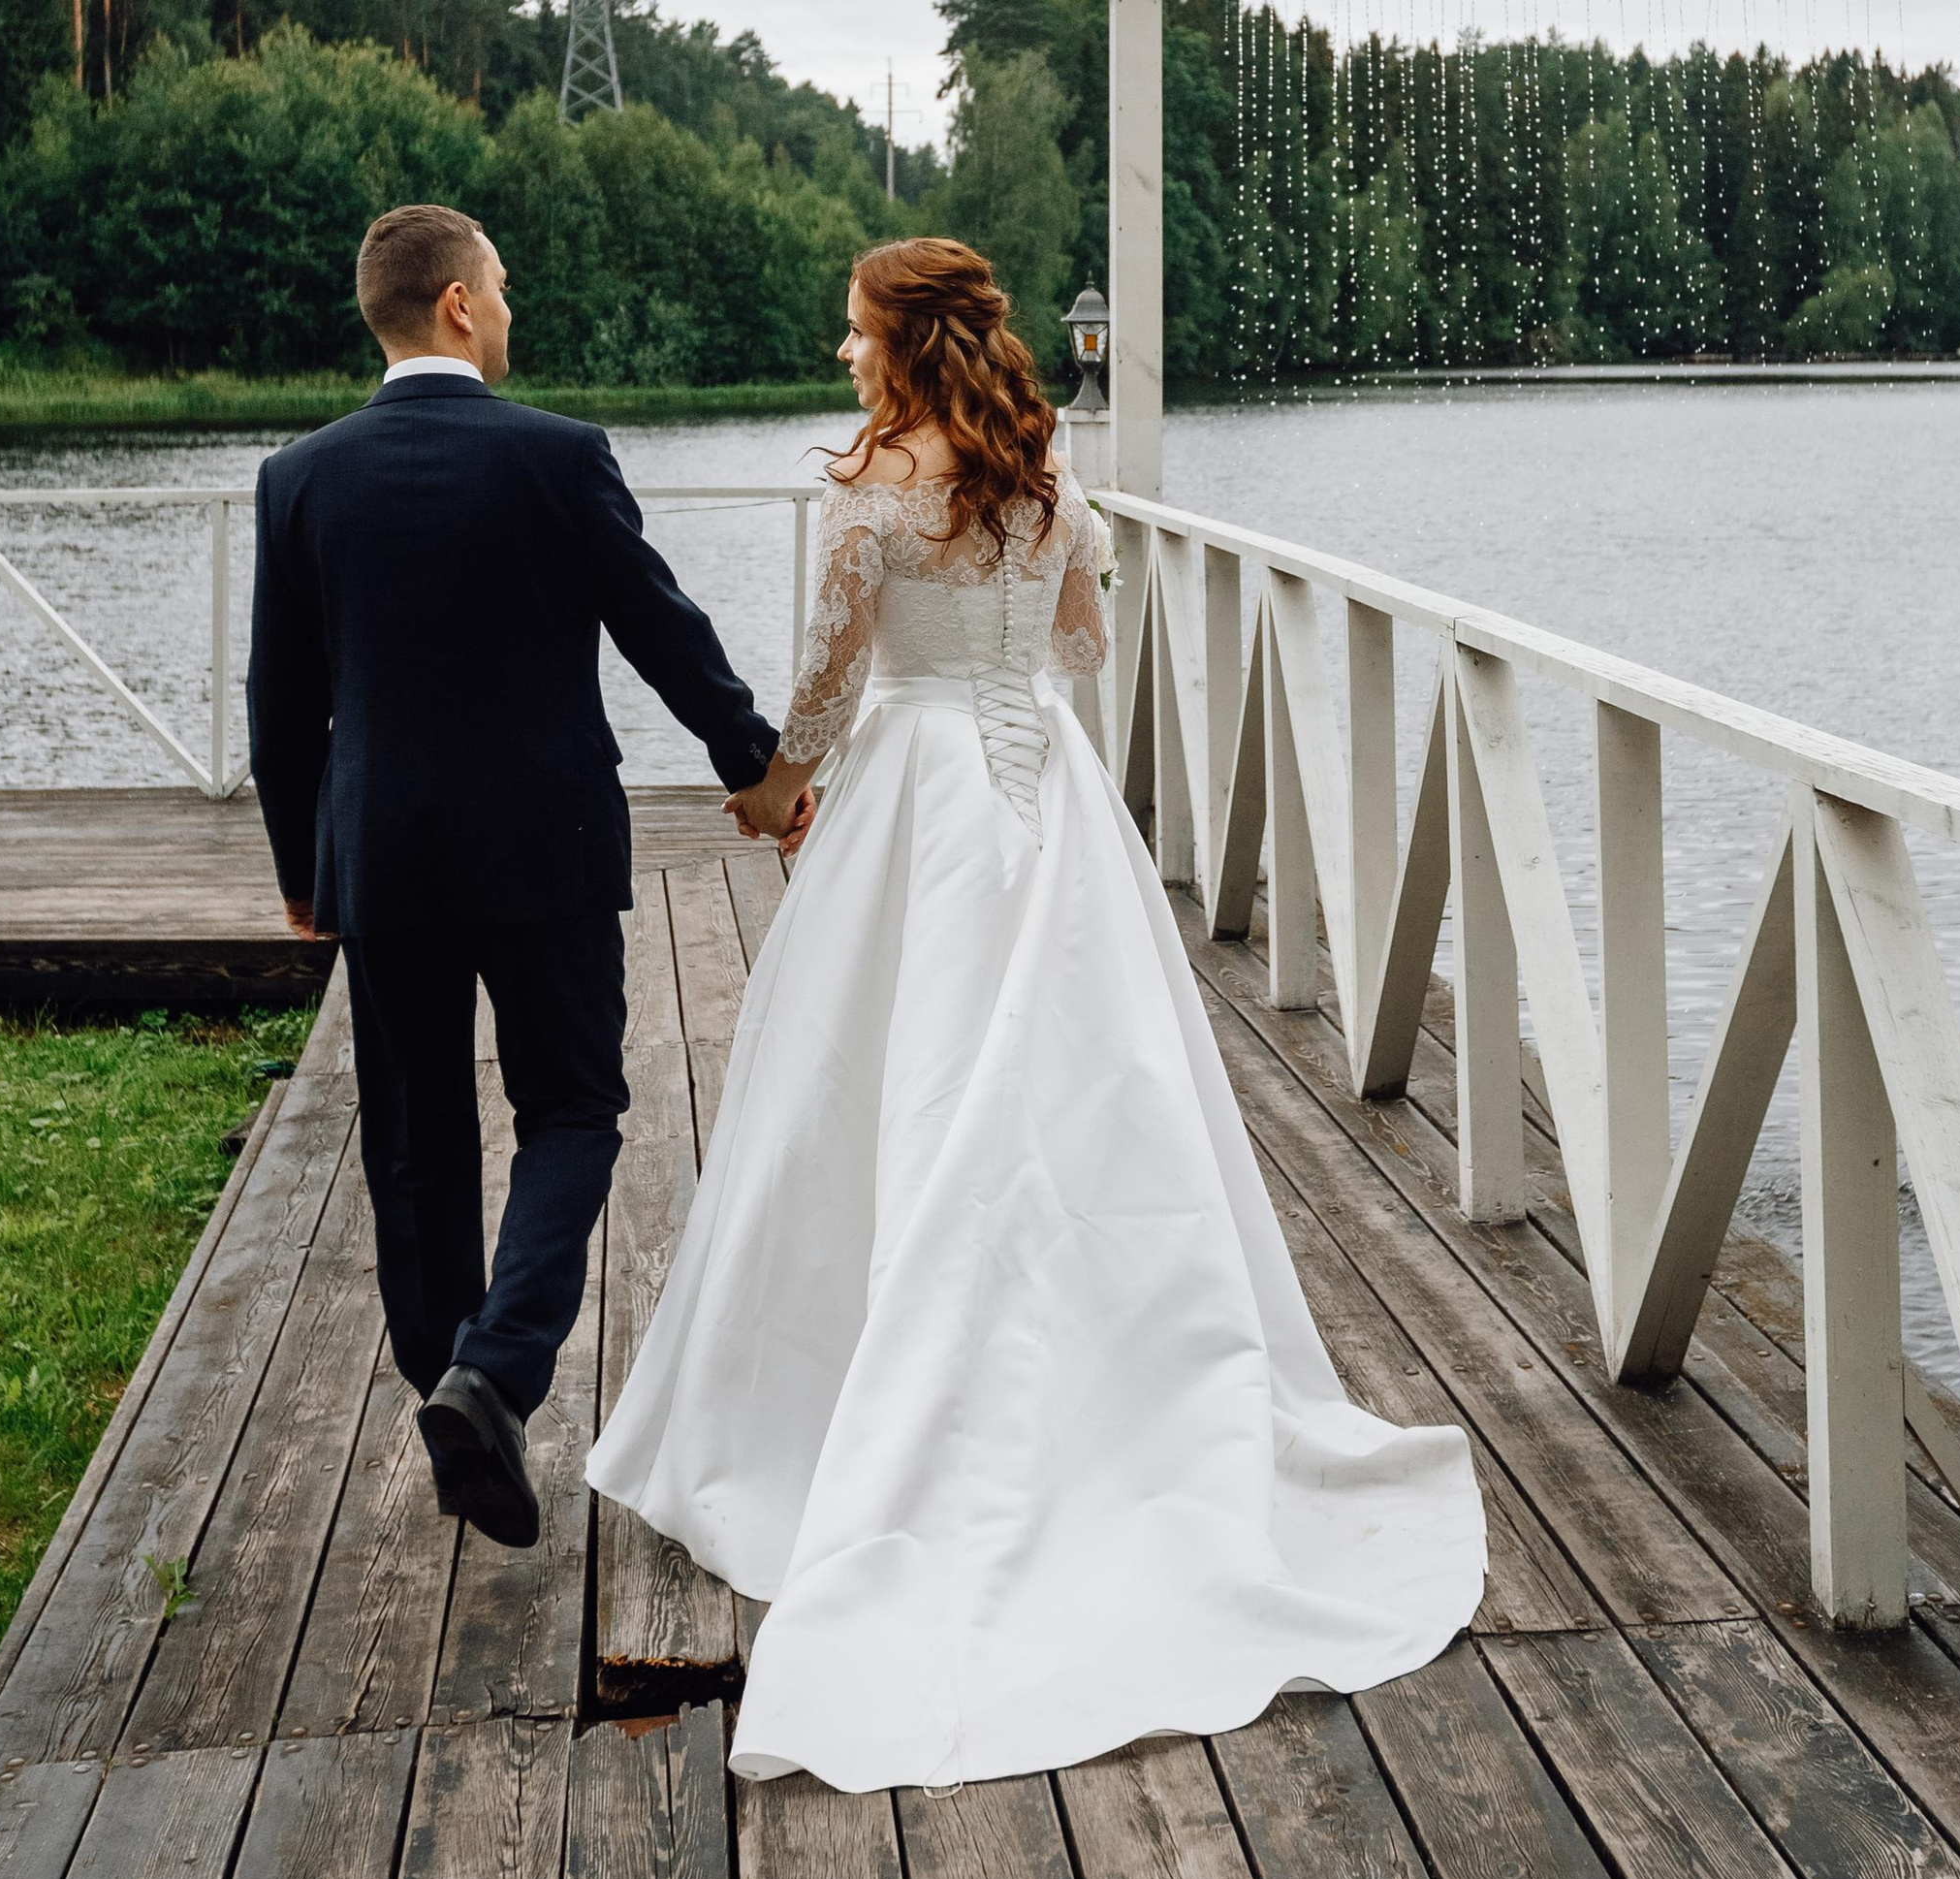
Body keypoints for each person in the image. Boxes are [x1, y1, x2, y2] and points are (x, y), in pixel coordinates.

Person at [587, 236, 1483, 1789]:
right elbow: (1079, 644)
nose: (842, 343)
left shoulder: (873, 485)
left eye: (856, 325)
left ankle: (863, 1403)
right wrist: (1007, 664)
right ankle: (1120, 1386)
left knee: (883, 1081)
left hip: (920, 784)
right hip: (1041, 785)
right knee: (1082, 1073)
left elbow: (826, 675)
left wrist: (781, 786)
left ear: (900, 337)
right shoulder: (1042, 470)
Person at [246, 202, 779, 1552]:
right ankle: (497, 1374)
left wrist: (305, 868)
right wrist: (751, 757)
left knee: (417, 1140)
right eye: (504, 284)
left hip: (384, 857)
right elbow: (663, 625)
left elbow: (279, 702)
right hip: (546, 846)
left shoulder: (300, 478)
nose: (511, 304)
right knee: (577, 1107)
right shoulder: (555, 455)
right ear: (461, 307)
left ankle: (449, 1385)